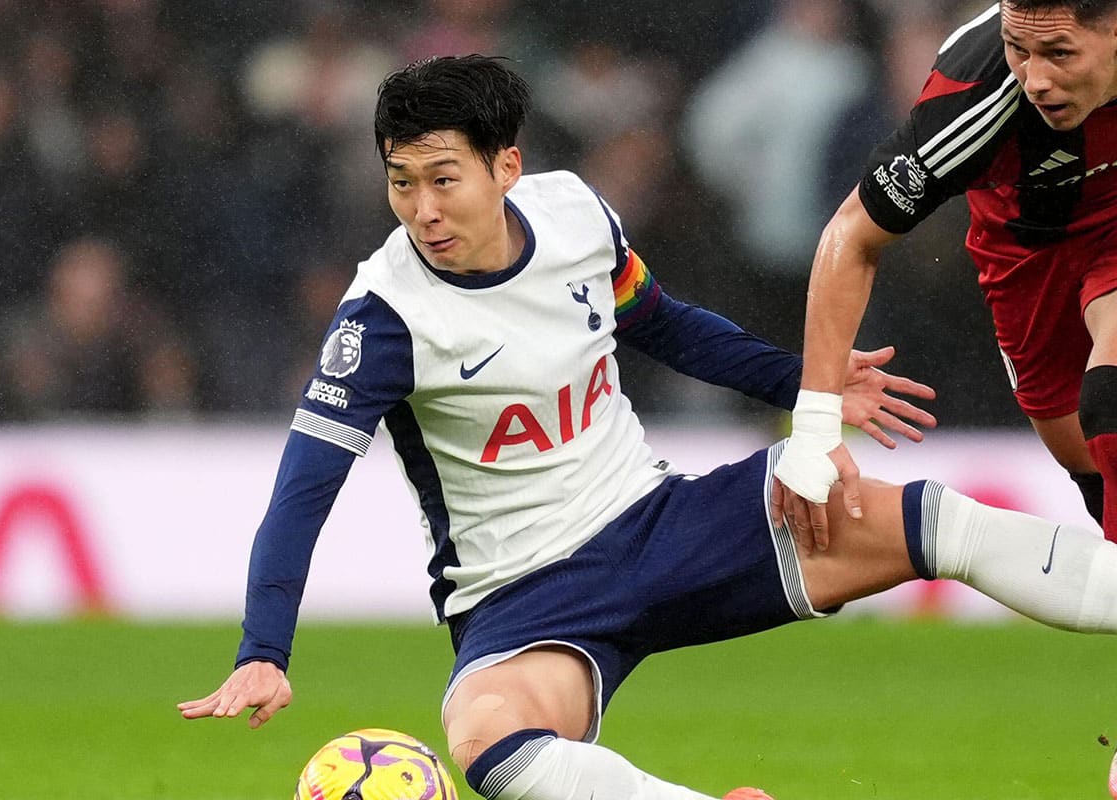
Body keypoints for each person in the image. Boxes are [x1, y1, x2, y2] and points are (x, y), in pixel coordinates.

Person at [179, 56, 1117, 800]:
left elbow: (663, 324)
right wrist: (264, 650)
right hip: (522, 599)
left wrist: (809, 382)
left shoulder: (577, 215)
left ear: (507, 165)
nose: (423, 209)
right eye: (400, 183)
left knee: (928, 521)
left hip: (661, 522)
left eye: (443, 178)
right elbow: (306, 483)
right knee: (488, 745)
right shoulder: (382, 315)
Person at [773, 1, 1117, 548]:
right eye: (1019, 51)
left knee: (1111, 395)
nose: (1036, 80)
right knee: (1089, 456)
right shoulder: (972, 97)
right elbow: (853, 234)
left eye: (1059, 54)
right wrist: (815, 427)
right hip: (1029, 248)